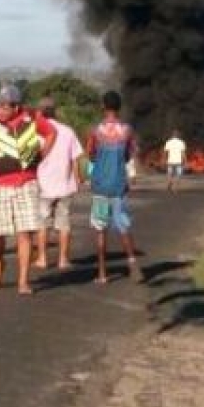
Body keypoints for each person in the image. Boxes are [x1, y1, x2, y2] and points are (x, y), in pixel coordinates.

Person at [0, 84, 54, 295]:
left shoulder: (32, 118)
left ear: (16, 107)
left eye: (4, 105)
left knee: (25, 233)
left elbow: (51, 133)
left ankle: (23, 281)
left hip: (27, 184)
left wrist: (41, 155)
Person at [86, 90, 143, 284]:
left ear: (103, 106)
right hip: (119, 185)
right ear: (119, 107)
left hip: (100, 186)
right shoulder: (127, 130)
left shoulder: (95, 130)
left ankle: (102, 274)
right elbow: (130, 154)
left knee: (100, 229)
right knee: (122, 225)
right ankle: (132, 262)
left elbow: (90, 154)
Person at [35, 96, 83, 271]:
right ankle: (63, 259)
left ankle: (42, 258)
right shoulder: (68, 131)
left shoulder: (36, 132)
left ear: (40, 113)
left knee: (43, 223)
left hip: (43, 185)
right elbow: (75, 159)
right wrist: (77, 179)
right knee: (63, 223)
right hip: (64, 184)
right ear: (55, 111)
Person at [163, 128, 187, 193]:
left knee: (170, 174)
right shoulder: (181, 143)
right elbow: (183, 153)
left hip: (170, 161)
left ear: (172, 135)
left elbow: (165, 152)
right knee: (178, 175)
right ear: (178, 135)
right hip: (179, 161)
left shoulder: (168, 142)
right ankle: (175, 188)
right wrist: (185, 161)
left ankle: (170, 182)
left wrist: (164, 160)